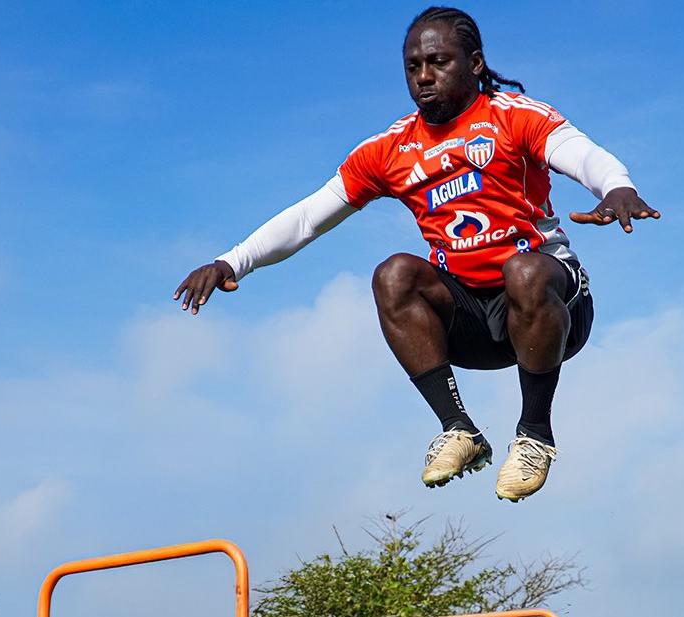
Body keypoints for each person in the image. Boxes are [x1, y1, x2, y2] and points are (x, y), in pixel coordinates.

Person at [174, 7, 658, 502]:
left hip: (550, 311)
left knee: (525, 270)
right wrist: (231, 261)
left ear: (474, 63)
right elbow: (308, 217)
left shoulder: (513, 116)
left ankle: (534, 435)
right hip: (472, 323)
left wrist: (617, 187)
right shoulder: (391, 148)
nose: (424, 76)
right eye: (413, 66)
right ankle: (460, 431)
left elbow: (581, 152)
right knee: (394, 274)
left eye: (438, 62)